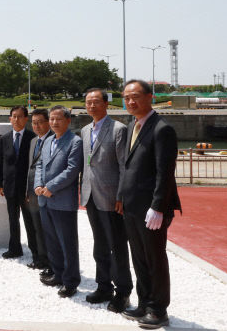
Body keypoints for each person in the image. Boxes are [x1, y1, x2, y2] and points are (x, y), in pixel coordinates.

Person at [118, 80, 182, 329]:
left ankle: (158, 309)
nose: (131, 102)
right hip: (132, 207)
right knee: (139, 258)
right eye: (126, 97)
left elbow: (164, 173)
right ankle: (144, 302)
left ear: (150, 97)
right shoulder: (132, 126)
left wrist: (157, 207)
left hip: (151, 209)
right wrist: (122, 198)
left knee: (155, 258)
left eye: (135, 96)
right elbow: (129, 168)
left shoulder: (161, 129)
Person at [80, 88, 133, 312]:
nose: (91, 106)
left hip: (111, 197)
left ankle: (123, 292)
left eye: (96, 102)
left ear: (106, 104)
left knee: (117, 246)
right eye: (88, 102)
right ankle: (103, 286)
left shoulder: (118, 129)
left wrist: (121, 195)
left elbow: (123, 166)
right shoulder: (84, 130)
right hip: (91, 195)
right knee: (99, 245)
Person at [34, 105, 82, 298]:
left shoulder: (75, 142)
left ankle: (70, 282)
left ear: (68, 120)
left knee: (67, 243)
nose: (54, 123)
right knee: (52, 241)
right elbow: (39, 164)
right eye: (52, 119)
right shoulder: (47, 141)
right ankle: (58, 274)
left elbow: (71, 170)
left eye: (58, 119)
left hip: (62, 201)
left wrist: (50, 187)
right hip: (44, 200)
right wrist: (38, 185)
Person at [0, 106, 37, 260]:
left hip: (27, 189)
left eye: (20, 116)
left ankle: (36, 251)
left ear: (26, 119)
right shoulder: (4, 139)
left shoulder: (33, 138)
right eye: (14, 116)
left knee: (30, 221)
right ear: (10, 119)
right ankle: (14, 249)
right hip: (10, 187)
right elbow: (0, 163)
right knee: (13, 219)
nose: (17, 119)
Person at [24, 108, 52, 270]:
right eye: (34, 123)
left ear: (48, 122)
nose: (37, 126)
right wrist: (27, 191)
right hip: (32, 192)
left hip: (46, 192)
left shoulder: (53, 140)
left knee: (45, 229)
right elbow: (30, 168)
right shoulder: (34, 141)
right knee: (35, 227)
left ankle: (48, 260)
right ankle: (39, 258)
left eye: (40, 122)